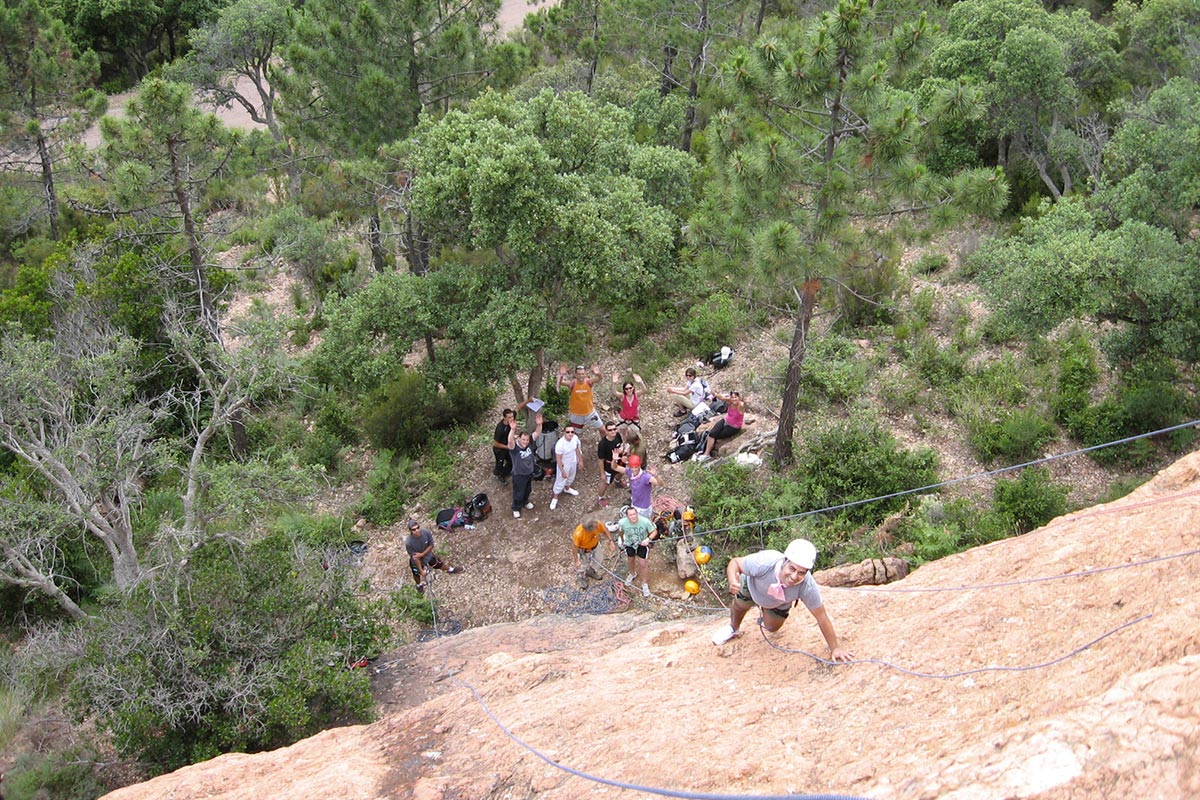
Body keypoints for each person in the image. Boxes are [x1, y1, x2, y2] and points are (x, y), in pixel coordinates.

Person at [711, 539, 853, 662]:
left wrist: (835, 648)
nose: (794, 576)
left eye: (801, 573)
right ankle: (733, 628)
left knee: (772, 627)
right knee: (740, 605)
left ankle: (767, 611)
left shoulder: (807, 586)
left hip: (779, 602)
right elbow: (735, 562)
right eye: (792, 568)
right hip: (752, 587)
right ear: (785, 561)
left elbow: (821, 616)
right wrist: (732, 580)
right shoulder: (765, 562)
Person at [404, 519, 461, 591]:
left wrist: (422, 554)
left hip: (427, 555)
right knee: (416, 573)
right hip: (416, 561)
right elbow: (415, 558)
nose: (417, 530)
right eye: (414, 529)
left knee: (438, 563)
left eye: (418, 528)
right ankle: (418, 585)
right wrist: (421, 571)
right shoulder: (409, 543)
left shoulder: (426, 533)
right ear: (410, 531)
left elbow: (431, 545)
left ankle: (450, 570)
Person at [508, 412, 544, 519]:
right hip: (519, 474)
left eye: (527, 440)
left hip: (529, 472)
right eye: (523, 439)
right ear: (519, 438)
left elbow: (537, 433)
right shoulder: (515, 448)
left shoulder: (530, 443)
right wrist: (512, 429)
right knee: (518, 492)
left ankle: (525, 502)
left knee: (527, 489)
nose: (525, 442)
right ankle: (516, 507)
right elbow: (510, 441)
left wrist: (539, 424)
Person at [617, 506, 658, 598]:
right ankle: (632, 574)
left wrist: (648, 539)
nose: (633, 516)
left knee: (642, 564)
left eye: (634, 514)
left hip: (642, 544)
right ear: (627, 516)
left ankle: (644, 584)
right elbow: (621, 531)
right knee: (630, 560)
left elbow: (654, 531)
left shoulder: (645, 521)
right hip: (629, 544)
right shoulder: (622, 523)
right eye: (631, 515)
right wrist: (622, 541)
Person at [694, 391, 747, 461]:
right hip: (725, 421)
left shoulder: (740, 406)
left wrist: (746, 402)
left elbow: (744, 406)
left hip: (733, 427)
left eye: (736, 397)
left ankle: (706, 454)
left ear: (739, 398)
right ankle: (703, 452)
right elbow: (722, 398)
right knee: (712, 433)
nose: (734, 399)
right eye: (732, 397)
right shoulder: (730, 401)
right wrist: (714, 394)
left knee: (715, 436)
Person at [610, 454, 663, 519]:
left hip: (644, 508)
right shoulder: (629, 471)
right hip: (634, 504)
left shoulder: (646, 477)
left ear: (639, 466)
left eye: (636, 467)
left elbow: (660, 484)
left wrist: (656, 476)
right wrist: (614, 460)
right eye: (632, 467)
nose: (634, 470)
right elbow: (614, 467)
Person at [572, 516, 617, 587]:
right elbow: (575, 547)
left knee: (599, 558)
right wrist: (576, 560)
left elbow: (605, 530)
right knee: (582, 565)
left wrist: (611, 541)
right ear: (589, 529)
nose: (597, 527)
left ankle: (591, 571)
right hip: (584, 550)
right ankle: (580, 577)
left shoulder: (597, 523)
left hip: (595, 545)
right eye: (595, 527)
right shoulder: (579, 534)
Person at [558, 363, 604, 430]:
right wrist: (561, 374)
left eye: (582, 374)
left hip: (590, 413)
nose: (581, 376)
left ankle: (605, 440)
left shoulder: (589, 382)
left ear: (585, 374)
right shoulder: (572, 383)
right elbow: (560, 382)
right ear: (576, 375)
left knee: (602, 429)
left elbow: (600, 378)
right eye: (579, 374)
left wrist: (597, 373)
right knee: (576, 434)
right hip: (576, 415)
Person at [550, 425, 583, 510]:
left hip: (573, 461)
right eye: (568, 432)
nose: (570, 434)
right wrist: (562, 471)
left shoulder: (575, 438)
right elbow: (558, 459)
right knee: (560, 480)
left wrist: (580, 460)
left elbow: (577, 449)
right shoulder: (560, 444)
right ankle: (555, 497)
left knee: (571, 477)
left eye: (572, 432)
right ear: (564, 432)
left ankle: (567, 488)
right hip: (564, 464)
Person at [595, 421, 623, 508]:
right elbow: (600, 459)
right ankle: (600, 497)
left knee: (621, 472)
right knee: (605, 483)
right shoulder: (603, 444)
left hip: (619, 460)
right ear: (606, 431)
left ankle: (617, 481)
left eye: (614, 429)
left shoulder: (617, 435)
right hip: (608, 465)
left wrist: (621, 449)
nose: (613, 432)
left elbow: (621, 444)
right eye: (610, 430)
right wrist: (602, 473)